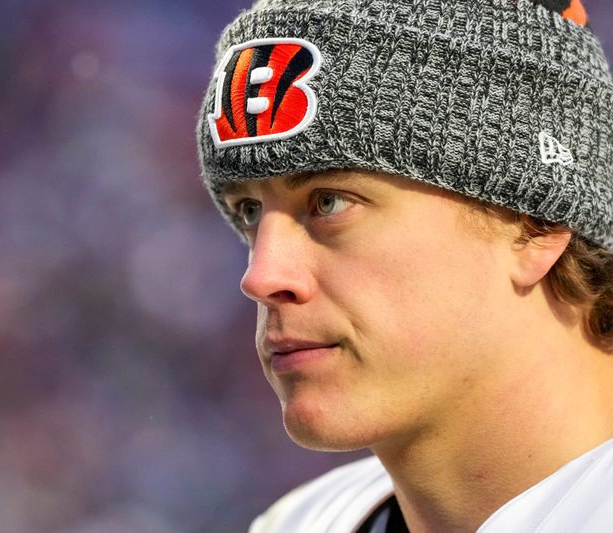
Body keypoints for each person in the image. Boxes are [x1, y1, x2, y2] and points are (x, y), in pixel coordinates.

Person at [195, 0, 613, 531]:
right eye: (249, 211)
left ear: (534, 221)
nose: (261, 277)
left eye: (329, 202)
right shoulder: (299, 521)